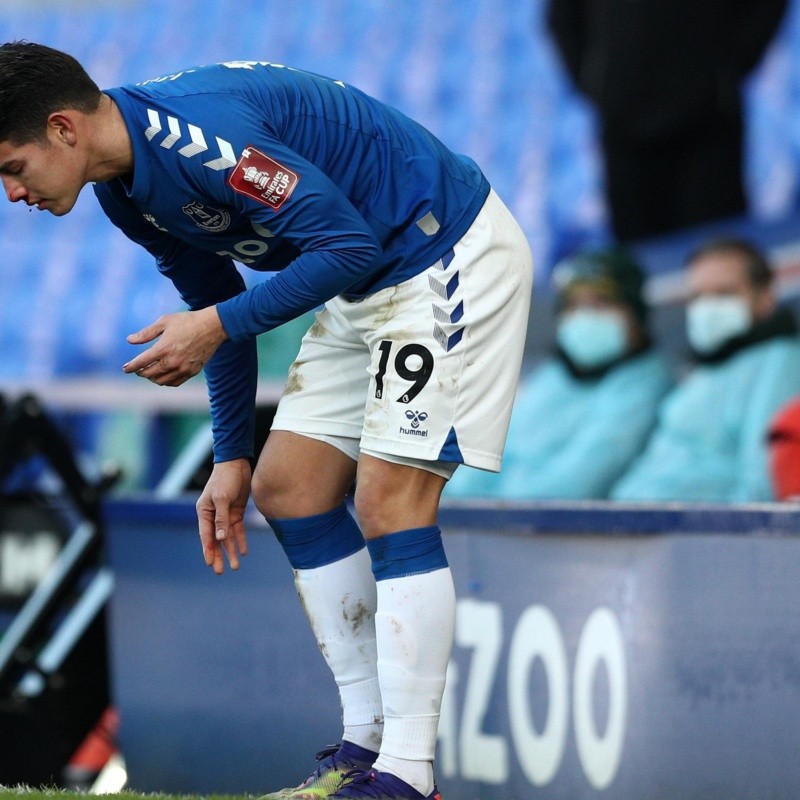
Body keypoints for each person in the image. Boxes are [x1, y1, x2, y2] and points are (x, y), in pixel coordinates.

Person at [0, 43, 533, 800]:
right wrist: (230, 453)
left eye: (12, 168)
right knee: (288, 488)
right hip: (363, 282)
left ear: (62, 129)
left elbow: (331, 250)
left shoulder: (202, 142)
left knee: (388, 503)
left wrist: (215, 324)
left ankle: (409, 778)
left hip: (440, 254)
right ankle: (363, 745)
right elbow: (212, 301)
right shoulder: (124, 189)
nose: (11, 193)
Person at [546, 0, 789, 241]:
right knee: (642, 257)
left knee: (717, 251)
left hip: (708, 127)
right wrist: (597, 85)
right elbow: (562, 18)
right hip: (625, 133)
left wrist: (728, 70)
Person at [445, 247, 672, 499]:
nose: (584, 317)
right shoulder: (553, 377)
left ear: (636, 314)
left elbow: (575, 484)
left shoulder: (645, 386)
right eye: (573, 306)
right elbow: (485, 459)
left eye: (601, 303)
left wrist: (490, 516)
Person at [611, 238, 800, 503]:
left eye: (724, 293)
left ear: (766, 297)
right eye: (697, 296)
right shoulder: (706, 368)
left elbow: (761, 486)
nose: (708, 307)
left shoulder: (781, 361)